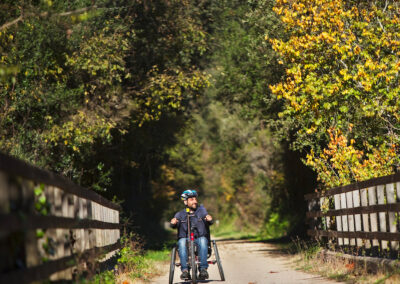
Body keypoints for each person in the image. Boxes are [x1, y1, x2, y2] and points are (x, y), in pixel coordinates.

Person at [170, 189, 213, 280]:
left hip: (199, 239)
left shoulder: (201, 211)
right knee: (181, 242)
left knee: (202, 240)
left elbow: (207, 217)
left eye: (195, 199)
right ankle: (185, 271)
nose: (195, 201)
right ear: (186, 202)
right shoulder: (180, 214)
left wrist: (208, 218)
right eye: (192, 199)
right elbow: (174, 222)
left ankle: (203, 270)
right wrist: (174, 222)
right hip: (186, 240)